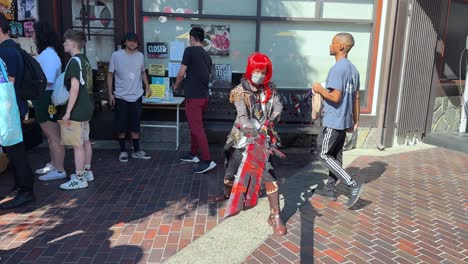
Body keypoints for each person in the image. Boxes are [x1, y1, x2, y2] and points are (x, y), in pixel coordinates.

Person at [222, 52, 286, 236]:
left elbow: (278, 107)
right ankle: (229, 189)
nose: (260, 75)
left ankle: (275, 216)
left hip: (263, 142)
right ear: (250, 70)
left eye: (263, 71)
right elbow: (242, 116)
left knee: (270, 175)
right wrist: (253, 131)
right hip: (241, 139)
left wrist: (270, 122)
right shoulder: (239, 91)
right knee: (230, 173)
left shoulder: (271, 90)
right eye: (257, 70)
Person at [312, 33, 365, 208]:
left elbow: (335, 97)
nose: (330, 45)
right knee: (335, 156)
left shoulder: (338, 69)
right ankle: (328, 189)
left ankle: (352, 184)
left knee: (323, 154)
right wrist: (355, 121)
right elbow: (356, 98)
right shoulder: (354, 70)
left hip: (333, 121)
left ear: (341, 47)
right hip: (344, 121)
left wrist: (319, 89)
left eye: (333, 42)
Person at [0, 13, 35, 209]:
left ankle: (26, 190)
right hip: (14, 108)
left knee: (16, 152)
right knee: (14, 151)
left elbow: (8, 83)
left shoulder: (5, 52)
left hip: (9, 110)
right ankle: (21, 187)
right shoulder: (13, 48)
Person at [174, 26, 216, 174]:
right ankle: (193, 154)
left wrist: (176, 86)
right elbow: (209, 77)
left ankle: (207, 160)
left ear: (191, 38)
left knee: (197, 128)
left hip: (193, 97)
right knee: (195, 126)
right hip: (204, 97)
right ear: (203, 39)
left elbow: (181, 73)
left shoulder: (189, 51)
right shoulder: (207, 55)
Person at [30, 22, 67, 181]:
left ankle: (59, 170)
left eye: (33, 32)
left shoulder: (49, 55)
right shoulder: (48, 53)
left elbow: (49, 80)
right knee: (51, 135)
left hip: (46, 97)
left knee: (54, 136)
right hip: (43, 98)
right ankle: (54, 164)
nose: (31, 35)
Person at [58, 29, 94, 190]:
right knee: (85, 140)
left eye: (65, 41)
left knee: (77, 144)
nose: (64, 44)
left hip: (77, 108)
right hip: (86, 106)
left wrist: (67, 111)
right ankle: (86, 171)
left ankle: (79, 178)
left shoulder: (74, 61)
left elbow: (74, 88)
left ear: (72, 43)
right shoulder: (85, 59)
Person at [107, 32, 151, 162]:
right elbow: (110, 75)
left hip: (136, 95)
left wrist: (147, 87)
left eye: (135, 41)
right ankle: (122, 151)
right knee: (121, 126)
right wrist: (110, 94)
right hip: (120, 96)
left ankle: (137, 150)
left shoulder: (140, 56)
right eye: (130, 41)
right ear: (124, 42)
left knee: (135, 125)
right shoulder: (116, 55)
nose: (132, 43)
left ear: (137, 43)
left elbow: (143, 72)